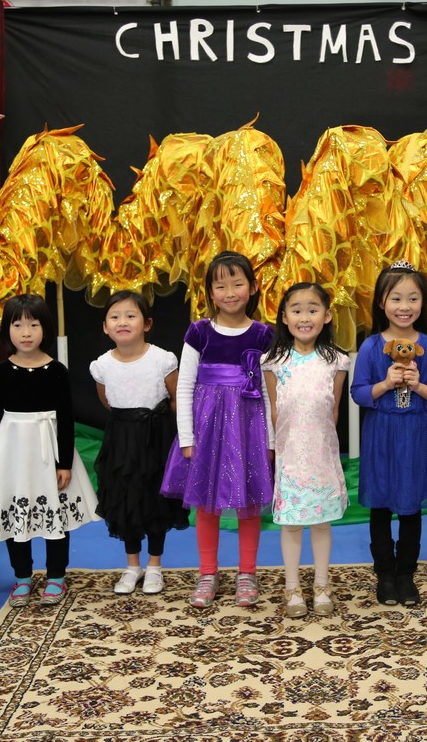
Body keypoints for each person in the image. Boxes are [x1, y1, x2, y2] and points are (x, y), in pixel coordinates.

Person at [160, 251, 274, 608]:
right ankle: (207, 573)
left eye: (237, 284)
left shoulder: (263, 334)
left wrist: (270, 440)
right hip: (207, 429)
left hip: (248, 429)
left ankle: (247, 573)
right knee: (206, 502)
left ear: (252, 287)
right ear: (210, 292)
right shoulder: (199, 332)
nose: (229, 293)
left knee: (249, 502)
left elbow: (268, 390)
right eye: (220, 286)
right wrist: (187, 437)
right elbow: (184, 386)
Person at [0, 294, 100, 607]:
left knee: (54, 514)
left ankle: (56, 576)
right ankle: (22, 576)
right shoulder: (0, 373)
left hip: (49, 450)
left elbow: (66, 418)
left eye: (33, 325)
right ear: (6, 330)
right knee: (14, 514)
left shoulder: (57, 370)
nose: (26, 333)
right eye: (17, 325)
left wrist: (65, 463)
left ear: (45, 328)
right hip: (12, 454)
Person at [351, 260, 427, 607]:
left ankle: (406, 574)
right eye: (396, 298)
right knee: (380, 506)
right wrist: (385, 384)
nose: (404, 307)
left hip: (417, 434)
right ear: (381, 302)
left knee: (411, 507)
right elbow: (358, 393)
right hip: (380, 434)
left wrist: (419, 386)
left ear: (423, 302)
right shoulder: (370, 347)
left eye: (412, 298)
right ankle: (385, 574)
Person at [90, 290, 188, 596]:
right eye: (115, 317)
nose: (122, 322)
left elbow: (177, 399)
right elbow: (107, 401)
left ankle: (155, 565)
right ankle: (132, 566)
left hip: (156, 439)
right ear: (105, 326)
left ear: (146, 324)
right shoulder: (102, 365)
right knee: (125, 499)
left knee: (155, 499)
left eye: (131, 316)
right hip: (121, 441)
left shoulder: (163, 359)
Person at [262, 283, 350, 618]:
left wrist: (324, 448)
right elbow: (274, 411)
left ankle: (322, 585)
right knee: (292, 524)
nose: (304, 317)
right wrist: (277, 450)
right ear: (284, 317)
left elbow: (334, 410)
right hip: (291, 457)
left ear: (326, 316)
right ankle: (293, 587)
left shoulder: (336, 361)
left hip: (322, 455)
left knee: (322, 522)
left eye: (313, 310)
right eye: (296, 310)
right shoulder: (273, 361)